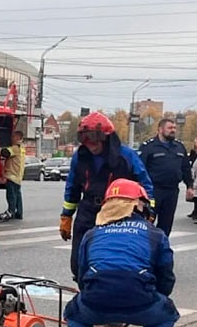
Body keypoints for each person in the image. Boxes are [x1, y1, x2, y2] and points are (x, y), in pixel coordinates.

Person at [66, 178, 179, 327]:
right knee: (168, 314)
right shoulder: (155, 234)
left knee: (72, 313)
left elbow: (82, 274)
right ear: (138, 204)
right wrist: (156, 299)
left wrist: (93, 296)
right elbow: (166, 276)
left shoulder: (92, 234)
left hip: (95, 303)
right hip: (141, 302)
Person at [59, 111, 154, 281]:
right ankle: (84, 287)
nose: (91, 145)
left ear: (106, 137)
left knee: (110, 259)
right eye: (85, 139)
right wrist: (66, 216)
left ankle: (107, 288)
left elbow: (144, 184)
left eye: (94, 139)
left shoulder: (125, 156)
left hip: (118, 211)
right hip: (88, 209)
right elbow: (72, 187)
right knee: (78, 262)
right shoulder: (80, 157)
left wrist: (149, 211)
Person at [138, 118, 193, 236]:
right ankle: (146, 244)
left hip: (172, 191)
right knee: (148, 221)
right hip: (153, 190)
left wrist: (190, 186)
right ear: (160, 129)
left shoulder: (179, 147)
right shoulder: (148, 146)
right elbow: (140, 169)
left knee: (166, 223)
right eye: (169, 128)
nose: (173, 130)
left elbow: (185, 168)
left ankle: (162, 245)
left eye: (174, 128)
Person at [0, 130, 26, 222]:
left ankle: (11, 211)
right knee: (17, 195)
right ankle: (19, 213)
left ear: (18, 137)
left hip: (12, 175)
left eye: (13, 136)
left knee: (11, 195)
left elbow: (5, 152)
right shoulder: (22, 148)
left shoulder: (16, 148)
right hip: (18, 176)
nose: (11, 138)